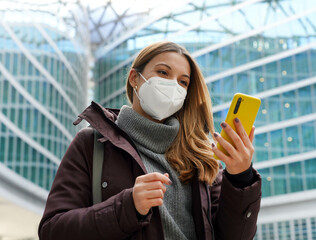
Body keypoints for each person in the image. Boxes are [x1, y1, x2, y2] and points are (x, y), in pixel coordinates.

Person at [38, 41, 261, 240]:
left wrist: (241, 177)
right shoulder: (93, 143)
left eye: (183, 82)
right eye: (163, 72)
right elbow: (52, 230)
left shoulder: (200, 157)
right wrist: (128, 206)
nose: (173, 86)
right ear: (134, 78)